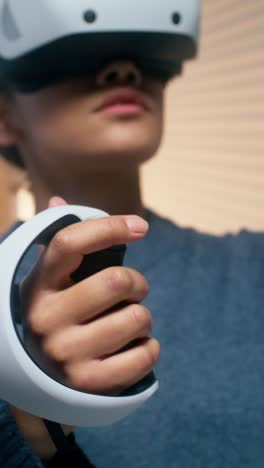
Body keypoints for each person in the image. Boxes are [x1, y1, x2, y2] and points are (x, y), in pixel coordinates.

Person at [1, 19, 264, 468]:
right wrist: (23, 409)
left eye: (146, 54)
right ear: (5, 117)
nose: (122, 70)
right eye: (75, 55)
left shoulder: (254, 267)